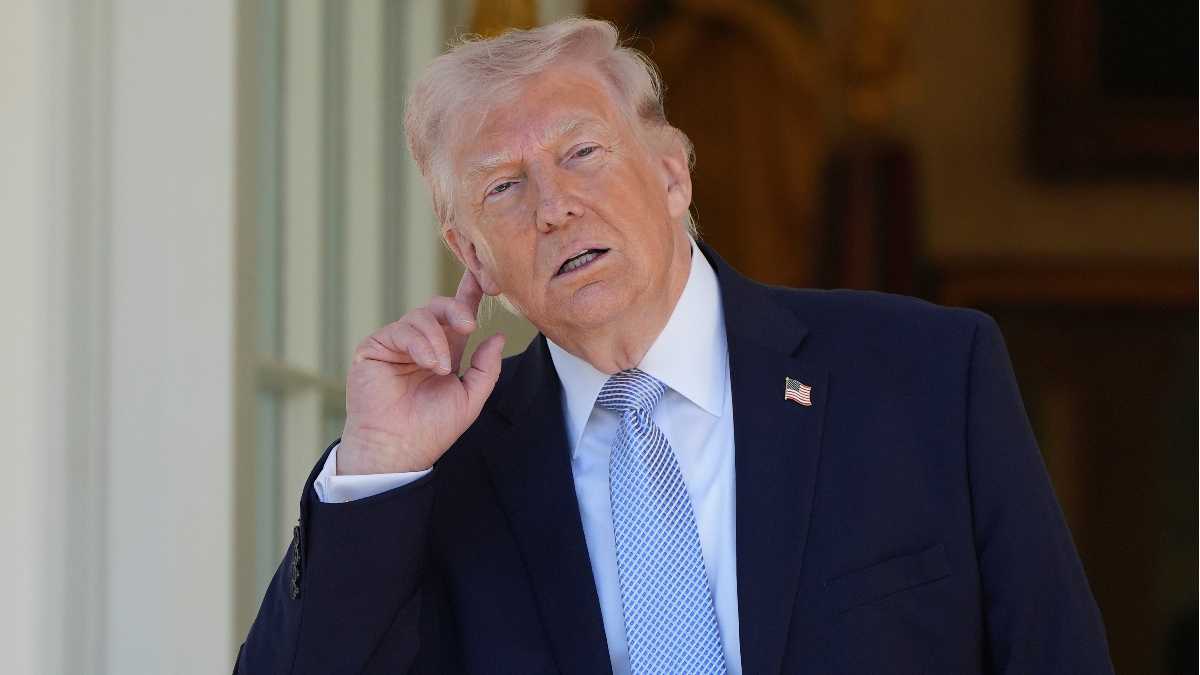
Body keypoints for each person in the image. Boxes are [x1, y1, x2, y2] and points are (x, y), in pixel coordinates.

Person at [235, 18, 1112, 674]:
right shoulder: (433, 475)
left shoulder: (926, 373)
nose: (553, 206)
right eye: (503, 187)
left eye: (582, 153)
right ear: (473, 257)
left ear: (671, 173)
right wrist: (379, 460)